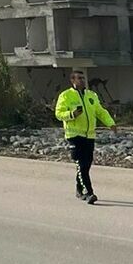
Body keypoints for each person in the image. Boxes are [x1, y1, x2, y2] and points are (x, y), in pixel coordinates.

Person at [54, 70, 115, 203]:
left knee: (86, 165)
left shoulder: (91, 95)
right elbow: (58, 113)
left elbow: (100, 112)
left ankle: (79, 189)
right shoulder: (65, 96)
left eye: (83, 78)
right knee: (80, 164)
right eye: (79, 78)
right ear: (73, 80)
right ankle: (88, 193)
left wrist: (111, 123)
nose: (82, 80)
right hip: (74, 135)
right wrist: (72, 114)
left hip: (89, 135)